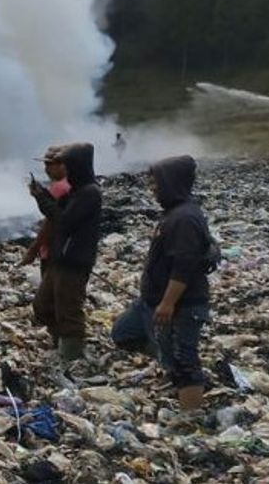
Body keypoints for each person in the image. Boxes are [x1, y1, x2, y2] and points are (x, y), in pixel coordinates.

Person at [111, 155, 211, 414]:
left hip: (181, 305)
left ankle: (191, 416)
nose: (153, 188)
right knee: (124, 333)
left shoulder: (184, 218)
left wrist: (168, 302)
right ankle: (169, 365)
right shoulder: (175, 214)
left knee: (184, 359)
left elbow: (184, 266)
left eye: (156, 183)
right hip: (152, 301)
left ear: (171, 182)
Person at [28, 142, 102, 363]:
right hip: (60, 258)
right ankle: (61, 344)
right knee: (42, 306)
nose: (65, 170)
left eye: (68, 165)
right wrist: (42, 196)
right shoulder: (77, 191)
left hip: (74, 261)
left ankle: (72, 359)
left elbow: (63, 221)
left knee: (69, 310)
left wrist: (41, 197)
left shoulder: (90, 193)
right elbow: (59, 213)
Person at [21, 147, 71, 266]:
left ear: (63, 165)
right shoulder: (75, 184)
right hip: (70, 250)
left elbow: (52, 220)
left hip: (55, 252)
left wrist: (33, 250)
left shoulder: (60, 187)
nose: (46, 169)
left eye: (50, 164)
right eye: (45, 165)